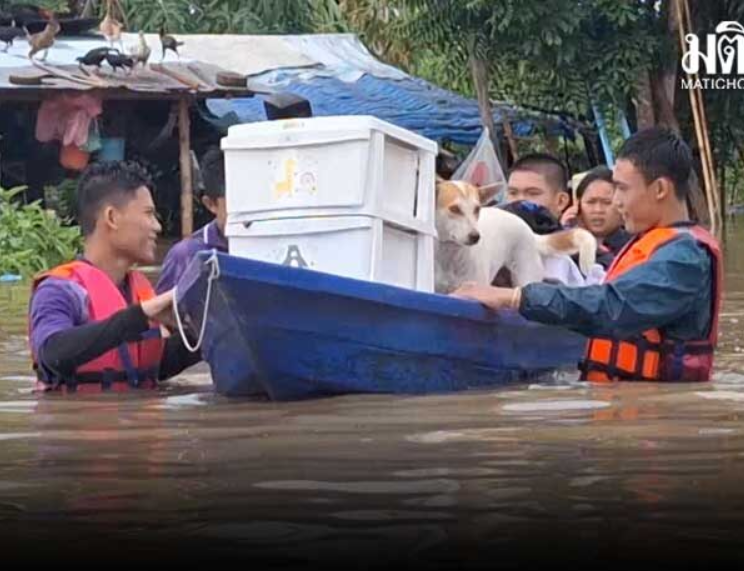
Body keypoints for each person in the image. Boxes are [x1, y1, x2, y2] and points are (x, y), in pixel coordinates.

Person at [454, 127, 722, 383]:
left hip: (654, 419)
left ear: (660, 189)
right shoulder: (650, 243)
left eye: (622, 189)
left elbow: (611, 307)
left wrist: (514, 297)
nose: (616, 201)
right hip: (623, 408)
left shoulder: (685, 258)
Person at [28, 161, 201, 393]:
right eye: (149, 214)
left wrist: (203, 334)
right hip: (81, 426)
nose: (157, 226)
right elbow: (51, 353)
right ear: (112, 217)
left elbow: (148, 369)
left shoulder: (136, 288)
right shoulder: (58, 289)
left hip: (139, 424)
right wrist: (139, 315)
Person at [156, 147, 228, 293]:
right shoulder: (187, 255)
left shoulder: (277, 245)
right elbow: (164, 313)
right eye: (238, 200)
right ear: (211, 204)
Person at [561, 165, 632, 268]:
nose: (597, 210)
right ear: (578, 205)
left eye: (607, 202)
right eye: (591, 202)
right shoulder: (567, 244)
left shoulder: (633, 245)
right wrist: (563, 233)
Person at [505, 153, 571, 220]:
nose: (519, 201)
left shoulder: (576, 230)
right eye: (513, 193)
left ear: (561, 201)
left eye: (532, 193)